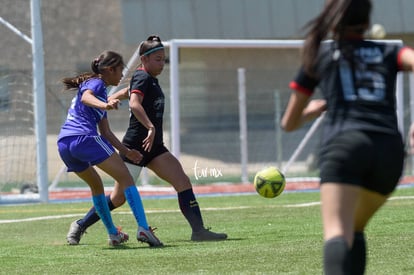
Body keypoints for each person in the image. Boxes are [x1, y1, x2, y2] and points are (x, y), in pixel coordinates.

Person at [281, 0, 414, 274]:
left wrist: (313, 110)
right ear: (367, 21)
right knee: (355, 227)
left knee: (338, 232)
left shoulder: (321, 56)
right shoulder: (390, 51)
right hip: (388, 151)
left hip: (344, 146)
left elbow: (289, 123)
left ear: (332, 21)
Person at [66, 36, 227, 245]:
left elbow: (129, 92)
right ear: (144, 59)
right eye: (158, 59)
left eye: (163, 59)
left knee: (182, 181)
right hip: (136, 146)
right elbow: (134, 103)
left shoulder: (147, 78)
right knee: (117, 198)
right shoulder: (142, 77)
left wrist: (113, 98)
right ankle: (80, 225)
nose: (162, 63)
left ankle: (199, 231)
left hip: (154, 147)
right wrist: (150, 126)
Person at [58, 50, 163, 247]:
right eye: (120, 70)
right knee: (126, 179)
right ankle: (143, 228)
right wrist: (105, 105)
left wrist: (126, 151)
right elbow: (86, 98)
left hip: (65, 144)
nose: (122, 74)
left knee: (97, 185)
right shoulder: (96, 83)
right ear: (109, 69)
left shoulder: (101, 91)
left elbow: (106, 133)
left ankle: (114, 234)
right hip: (83, 139)